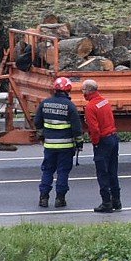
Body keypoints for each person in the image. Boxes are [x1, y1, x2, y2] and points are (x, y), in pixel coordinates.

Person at [35, 77, 84, 208]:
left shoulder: (45, 103)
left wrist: (42, 136)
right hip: (66, 147)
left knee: (47, 171)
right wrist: (79, 143)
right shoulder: (70, 106)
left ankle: (43, 198)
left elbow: (37, 123)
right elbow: (77, 129)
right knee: (62, 172)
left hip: (49, 146)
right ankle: (60, 199)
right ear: (68, 90)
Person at [82, 79, 121, 213]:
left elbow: (94, 129)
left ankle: (106, 203)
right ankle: (116, 200)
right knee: (112, 171)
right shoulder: (104, 101)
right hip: (113, 138)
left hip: (103, 141)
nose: (82, 92)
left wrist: (95, 142)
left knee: (102, 173)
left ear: (89, 90)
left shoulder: (90, 107)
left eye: (83, 90)